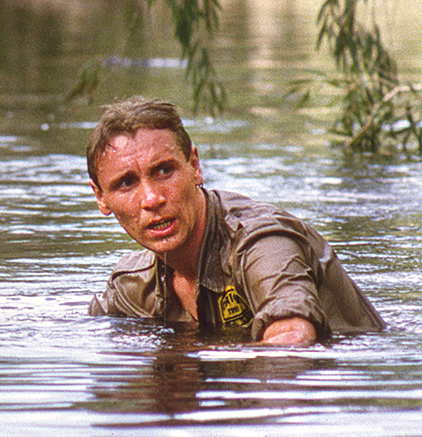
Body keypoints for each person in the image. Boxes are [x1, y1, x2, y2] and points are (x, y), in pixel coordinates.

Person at [85, 97, 383, 345]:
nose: (151, 199)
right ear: (101, 198)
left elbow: (293, 337)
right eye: (126, 183)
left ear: (194, 166)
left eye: (164, 171)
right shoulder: (134, 287)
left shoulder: (261, 244)